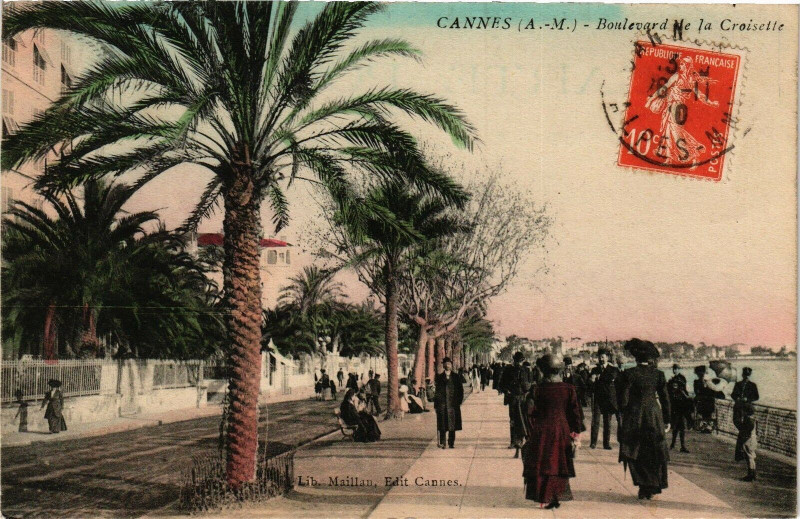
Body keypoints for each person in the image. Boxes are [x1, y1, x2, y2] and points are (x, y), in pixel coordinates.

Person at [522, 354, 584, 509]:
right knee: (558, 463)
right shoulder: (569, 389)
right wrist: (575, 433)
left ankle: (542, 497)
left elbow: (529, 412)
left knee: (542, 463)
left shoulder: (537, 389)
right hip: (562, 431)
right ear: (560, 370)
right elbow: (575, 414)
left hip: (541, 431)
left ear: (543, 370)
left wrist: (530, 432)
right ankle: (555, 495)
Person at [617, 339, 670, 500]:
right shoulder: (658, 374)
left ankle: (643, 486)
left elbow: (623, 401)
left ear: (636, 358)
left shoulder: (629, 374)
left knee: (636, 451)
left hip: (634, 416)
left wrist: (624, 414)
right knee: (654, 451)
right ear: (650, 358)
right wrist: (667, 420)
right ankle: (654, 485)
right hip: (654, 416)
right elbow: (665, 399)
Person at [502, 352, 533, 457]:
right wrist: (507, 391)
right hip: (513, 399)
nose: (518, 363)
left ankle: (525, 441)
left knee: (524, 420)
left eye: (520, 361)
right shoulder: (508, 370)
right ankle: (513, 442)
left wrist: (527, 391)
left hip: (524, 399)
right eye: (517, 361)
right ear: (514, 360)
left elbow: (531, 383)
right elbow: (502, 383)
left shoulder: (527, 371)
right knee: (513, 420)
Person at [589, 348, 619, 449]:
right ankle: (593, 442)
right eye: (599, 357)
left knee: (607, 422)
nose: (601, 359)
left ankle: (606, 443)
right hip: (598, 398)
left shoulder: (613, 369)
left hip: (608, 399)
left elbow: (609, 379)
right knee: (595, 421)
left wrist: (597, 377)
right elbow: (589, 384)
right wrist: (592, 380)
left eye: (603, 357)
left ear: (607, 357)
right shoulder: (594, 369)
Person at [434, 357, 464, 448]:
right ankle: (443, 442)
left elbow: (460, 390)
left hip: (453, 405)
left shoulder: (456, 377)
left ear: (451, 365)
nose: (447, 365)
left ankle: (451, 443)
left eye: (449, 364)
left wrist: (458, 402)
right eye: (446, 364)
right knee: (442, 425)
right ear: (443, 365)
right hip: (442, 405)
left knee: (452, 425)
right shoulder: (439, 377)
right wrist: (436, 405)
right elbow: (437, 392)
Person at [693, 365, 725, 433]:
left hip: (708, 403)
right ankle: (705, 427)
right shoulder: (696, 382)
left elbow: (713, 391)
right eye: (700, 374)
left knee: (708, 415)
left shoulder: (708, 382)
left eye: (702, 373)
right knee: (704, 415)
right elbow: (697, 392)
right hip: (702, 402)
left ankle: (707, 427)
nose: (702, 375)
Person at [667, 364, 691, 453]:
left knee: (680, 426)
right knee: (676, 426)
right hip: (675, 405)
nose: (674, 370)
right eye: (674, 369)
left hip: (681, 405)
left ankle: (680, 445)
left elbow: (682, 389)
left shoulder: (680, 379)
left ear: (678, 369)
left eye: (676, 369)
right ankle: (674, 444)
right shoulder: (673, 379)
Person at [734, 402, 758, 481]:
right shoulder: (753, 419)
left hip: (748, 440)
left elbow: (746, 431)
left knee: (749, 457)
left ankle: (750, 475)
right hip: (753, 439)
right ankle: (753, 474)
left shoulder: (748, 420)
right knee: (751, 456)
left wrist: (743, 442)